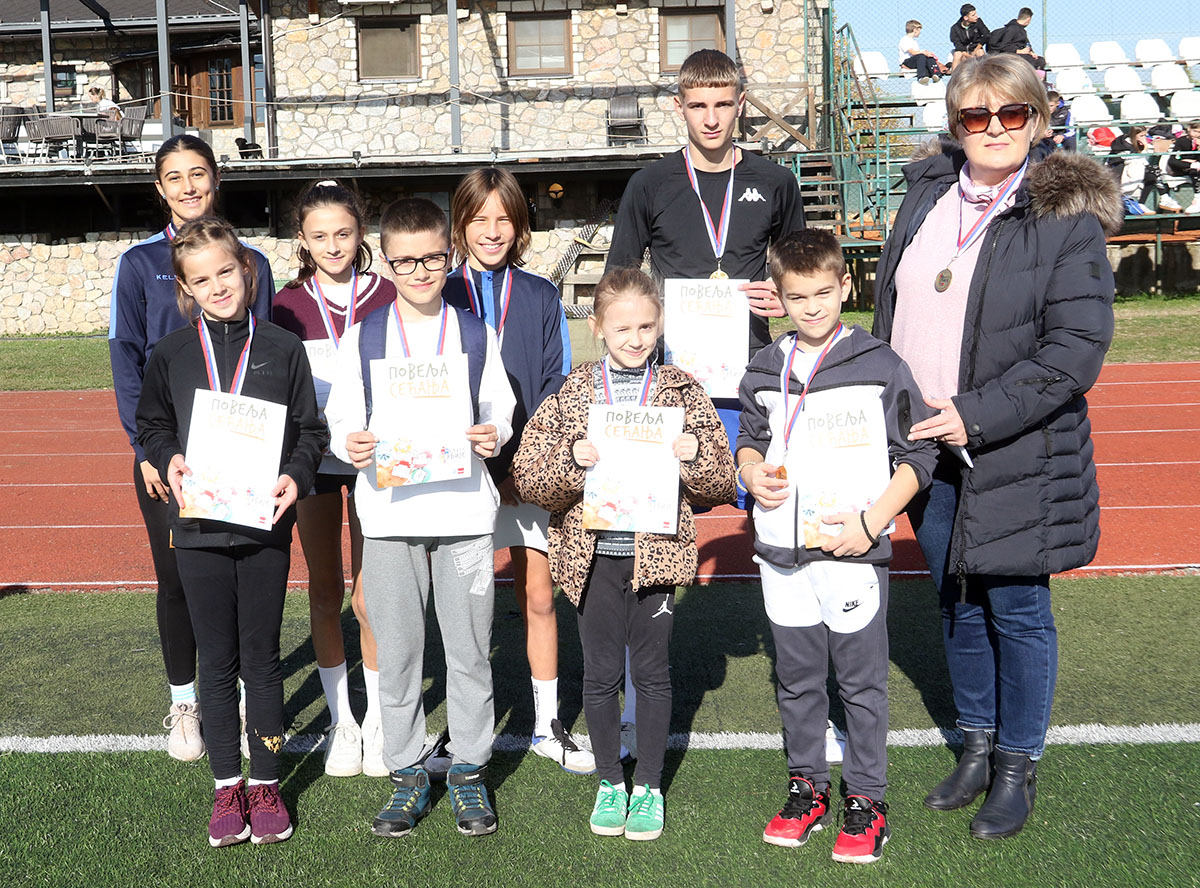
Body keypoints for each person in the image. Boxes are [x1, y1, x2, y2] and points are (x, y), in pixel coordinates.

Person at [871, 54, 1119, 840]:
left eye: (1012, 114)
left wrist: (972, 415)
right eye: (977, 116)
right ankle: (976, 747)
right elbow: (893, 308)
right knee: (956, 600)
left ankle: (1016, 765)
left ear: (1037, 121)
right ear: (957, 124)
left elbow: (1075, 350)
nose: (995, 129)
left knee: (1016, 608)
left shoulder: (1064, 217)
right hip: (924, 444)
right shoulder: (925, 195)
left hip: (1012, 446)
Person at [605, 48, 807, 755]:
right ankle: (634, 707)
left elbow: (803, 274)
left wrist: (781, 296)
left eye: (724, 103)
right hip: (670, 389)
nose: (712, 118)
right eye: (698, 105)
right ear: (679, 108)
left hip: (754, 385)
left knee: (782, 535)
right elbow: (621, 281)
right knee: (648, 540)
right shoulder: (651, 183)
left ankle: (808, 704)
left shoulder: (775, 180)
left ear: (741, 103)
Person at [511, 267, 735, 841]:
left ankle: (649, 786)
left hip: (655, 556)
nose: (635, 340)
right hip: (592, 558)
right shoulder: (573, 392)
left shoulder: (681, 390)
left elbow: (720, 483)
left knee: (653, 674)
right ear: (598, 328)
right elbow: (528, 475)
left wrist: (693, 456)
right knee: (601, 673)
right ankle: (611, 781)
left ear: (660, 325)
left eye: (646, 327)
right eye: (622, 329)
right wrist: (573, 461)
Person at [736, 230, 937, 864]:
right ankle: (808, 787)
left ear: (846, 287)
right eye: (798, 297)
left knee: (860, 684)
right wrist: (749, 471)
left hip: (852, 553)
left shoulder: (880, 364)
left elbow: (919, 456)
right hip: (781, 554)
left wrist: (872, 524)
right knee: (796, 680)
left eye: (824, 293)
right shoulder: (764, 367)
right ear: (780, 297)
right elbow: (749, 438)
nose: (813, 307)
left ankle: (868, 798)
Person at [324, 197, 516, 839]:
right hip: (388, 516)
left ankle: (468, 769)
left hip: (464, 513)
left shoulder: (473, 332)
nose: (420, 272)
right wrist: (349, 441)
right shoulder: (365, 335)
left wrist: (493, 432)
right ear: (385, 263)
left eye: (432, 258)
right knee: (401, 651)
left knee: (469, 652)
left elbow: (498, 406)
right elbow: (342, 414)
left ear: (450, 255)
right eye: (405, 262)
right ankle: (406, 770)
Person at [136, 217, 326, 847]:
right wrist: (168, 457)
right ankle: (226, 787)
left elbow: (310, 431)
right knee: (216, 661)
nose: (217, 286)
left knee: (262, 659)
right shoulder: (171, 353)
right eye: (201, 280)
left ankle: (266, 783)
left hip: (264, 527)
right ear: (185, 289)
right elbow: (153, 424)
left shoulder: (284, 348)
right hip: (198, 530)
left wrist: (297, 475)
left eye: (225, 271)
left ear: (246, 270)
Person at [108, 134, 275, 762]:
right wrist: (147, 451)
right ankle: (184, 701)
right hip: (169, 452)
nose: (188, 187)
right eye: (175, 177)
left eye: (198, 173)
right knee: (177, 579)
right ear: (160, 188)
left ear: (216, 178)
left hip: (242, 448)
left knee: (240, 577)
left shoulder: (250, 260)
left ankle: (238, 695)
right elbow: (126, 358)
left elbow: (267, 352)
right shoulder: (138, 264)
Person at [442, 168, 594, 775]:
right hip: (460, 473)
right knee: (465, 606)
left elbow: (556, 385)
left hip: (530, 471)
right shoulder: (440, 292)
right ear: (459, 225)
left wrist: (525, 465)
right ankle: (463, 730)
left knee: (538, 595)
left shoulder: (540, 295)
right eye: (479, 219)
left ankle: (547, 723)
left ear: (520, 225)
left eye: (503, 218)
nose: (492, 230)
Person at [271, 180, 397, 778]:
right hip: (315, 462)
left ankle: (379, 721)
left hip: (375, 460)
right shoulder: (285, 305)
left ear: (361, 233)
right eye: (319, 236)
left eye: (343, 233)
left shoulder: (388, 294)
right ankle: (343, 721)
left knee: (370, 597)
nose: (333, 245)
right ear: (302, 239)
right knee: (324, 591)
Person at [1107, 127, 1182, 212]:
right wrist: (1144, 148)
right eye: (1141, 135)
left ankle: (1151, 201)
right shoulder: (1123, 145)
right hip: (1124, 172)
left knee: (1153, 172)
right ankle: (1163, 198)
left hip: (1137, 169)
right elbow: (1121, 160)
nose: (1144, 138)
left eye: (1145, 135)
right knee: (1152, 170)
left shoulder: (1140, 143)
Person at [1166, 120, 1200, 213]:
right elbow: (1172, 161)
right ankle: (1197, 200)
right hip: (1184, 168)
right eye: (1195, 131)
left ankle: (1197, 199)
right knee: (1194, 170)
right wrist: (1191, 164)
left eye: (1199, 132)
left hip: (1196, 167)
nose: (1197, 134)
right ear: (1189, 129)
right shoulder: (1181, 141)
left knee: (1196, 171)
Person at [949, 5, 989, 69]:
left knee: (980, 53)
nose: (976, 16)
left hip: (975, 50)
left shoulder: (978, 22)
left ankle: (984, 72)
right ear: (966, 18)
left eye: (976, 14)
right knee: (957, 54)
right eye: (973, 15)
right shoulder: (955, 28)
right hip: (963, 53)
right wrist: (968, 56)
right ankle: (954, 74)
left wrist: (975, 50)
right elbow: (958, 45)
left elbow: (986, 35)